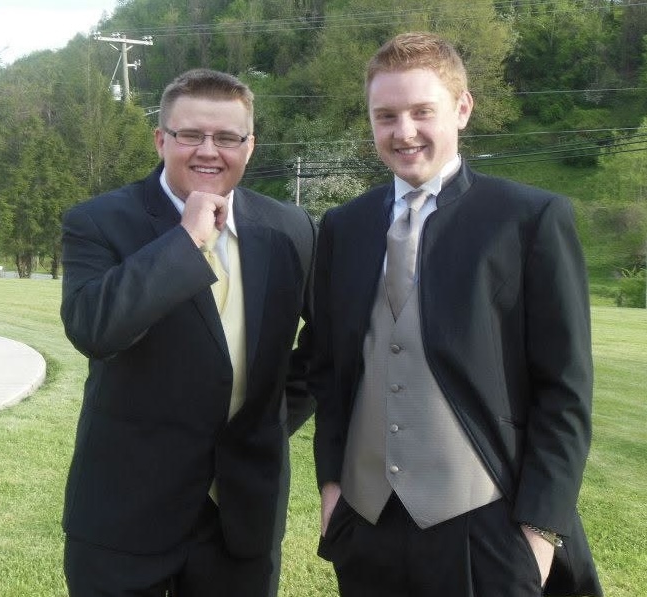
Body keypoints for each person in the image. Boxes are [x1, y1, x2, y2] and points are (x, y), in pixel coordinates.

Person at [311, 32, 602, 597]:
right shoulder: (343, 228)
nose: (404, 132)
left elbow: (565, 388)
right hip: (366, 526)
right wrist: (331, 489)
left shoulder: (529, 219)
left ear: (462, 108)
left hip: (484, 523)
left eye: (423, 111)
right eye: (386, 116)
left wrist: (540, 530)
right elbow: (329, 370)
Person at [60, 68, 315, 597]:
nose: (209, 151)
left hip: (242, 518)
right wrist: (186, 240)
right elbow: (95, 329)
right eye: (190, 135)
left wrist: (266, 421)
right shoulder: (99, 221)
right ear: (161, 139)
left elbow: (324, 348)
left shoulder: (290, 229)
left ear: (250, 145)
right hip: (125, 515)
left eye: (227, 137)